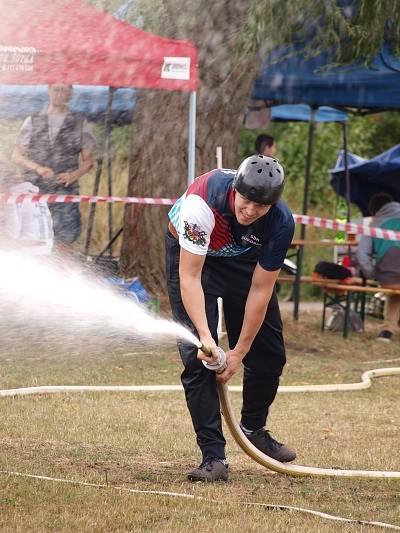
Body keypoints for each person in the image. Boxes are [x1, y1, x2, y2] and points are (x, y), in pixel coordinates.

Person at [165, 154, 296, 482]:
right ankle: (214, 457)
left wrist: (239, 352)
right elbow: (190, 277)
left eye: (261, 207)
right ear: (236, 190)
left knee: (269, 354)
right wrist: (206, 337)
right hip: (194, 258)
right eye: (247, 201)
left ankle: (254, 428)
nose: (251, 211)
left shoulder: (281, 222)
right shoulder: (202, 204)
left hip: (241, 258)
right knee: (198, 360)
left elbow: (261, 291)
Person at [12, 84, 96, 256]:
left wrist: (74, 175)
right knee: (33, 238)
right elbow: (16, 155)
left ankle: (63, 277)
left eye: (64, 90)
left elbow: (88, 161)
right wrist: (38, 168)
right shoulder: (32, 120)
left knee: (66, 239)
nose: (59, 94)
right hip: (35, 190)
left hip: (65, 190)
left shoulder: (80, 123)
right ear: (49, 91)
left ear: (70, 93)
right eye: (56, 89)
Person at [356, 193, 400, 342]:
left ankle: (387, 331)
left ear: (375, 211)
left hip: (388, 278)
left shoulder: (375, 223)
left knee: (394, 292)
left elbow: (362, 254)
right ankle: (388, 329)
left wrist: (372, 274)